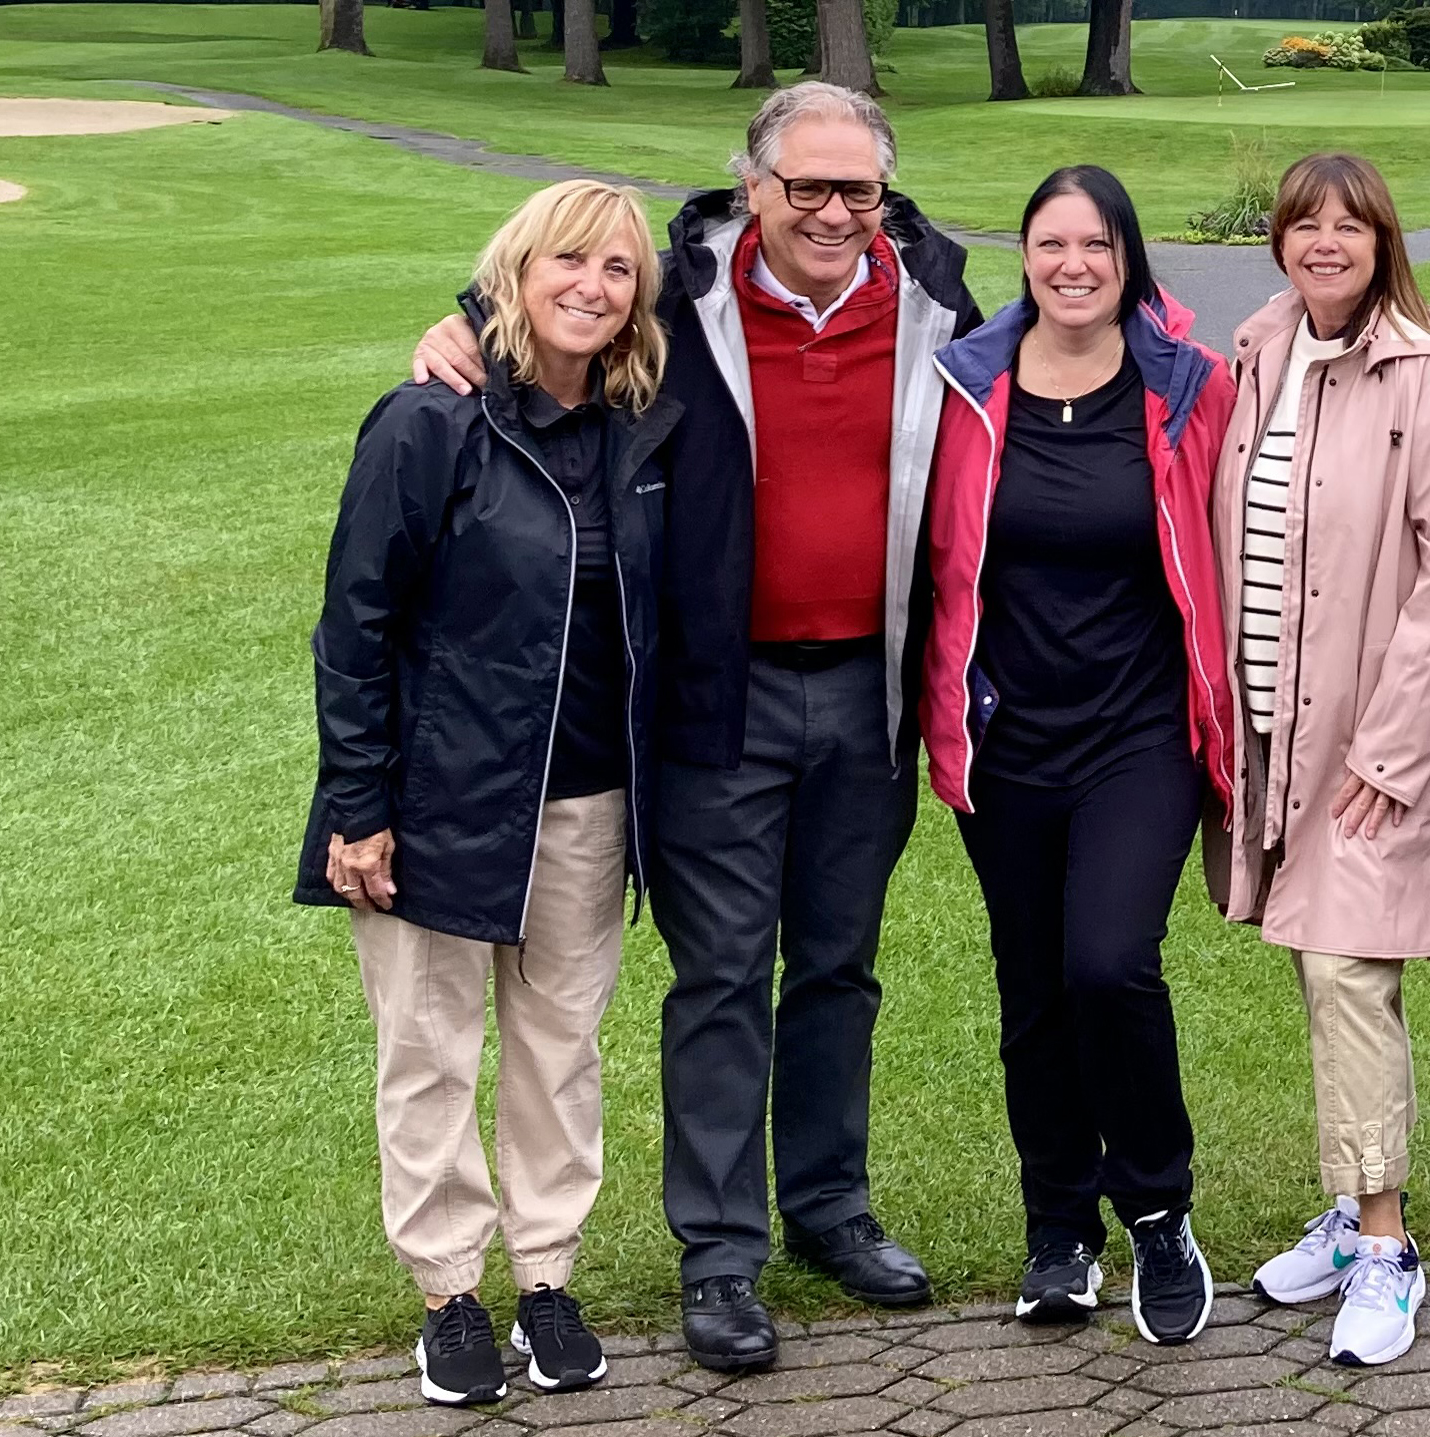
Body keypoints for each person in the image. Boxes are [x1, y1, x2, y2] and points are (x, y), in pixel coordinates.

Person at [412, 83, 985, 1372]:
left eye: (859, 190)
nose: (834, 212)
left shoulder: (938, 293)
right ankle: (721, 1255)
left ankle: (830, 1208)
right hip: (714, 697)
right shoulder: (680, 290)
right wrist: (456, 329)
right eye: (807, 188)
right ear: (754, 186)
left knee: (838, 966)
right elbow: (559, 310)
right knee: (721, 973)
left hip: (868, 689)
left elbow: (1094, 327)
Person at [302, 178, 674, 1407]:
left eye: (617, 269)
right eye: (565, 262)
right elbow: (354, 626)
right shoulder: (429, 421)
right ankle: (448, 1295)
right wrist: (358, 806)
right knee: (428, 1050)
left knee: (558, 1053)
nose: (591, 287)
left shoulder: (641, 427)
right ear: (512, 275)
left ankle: (547, 1275)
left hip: (587, 802)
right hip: (435, 801)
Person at [919, 165, 1237, 1345]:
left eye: (1094, 245)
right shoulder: (961, 384)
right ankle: (1057, 1229)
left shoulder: (1187, 388)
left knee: (1108, 963)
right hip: (1005, 739)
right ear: (1023, 257)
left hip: (1139, 734)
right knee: (1033, 989)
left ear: (1126, 258)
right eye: (1050, 244)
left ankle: (1156, 1210)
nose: (1072, 265)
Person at [1215, 151, 1430, 1369]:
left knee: (1345, 972)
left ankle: (1384, 1244)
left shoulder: (1427, 376)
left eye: (1349, 225)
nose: (1323, 242)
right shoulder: (1263, 352)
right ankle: (1346, 1210)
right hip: (1274, 726)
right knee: (1311, 966)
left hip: (1372, 737)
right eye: (1302, 223)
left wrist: (1386, 748)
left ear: (1385, 240)